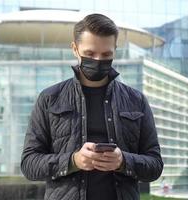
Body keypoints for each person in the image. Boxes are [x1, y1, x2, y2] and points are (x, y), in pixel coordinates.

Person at [21, 13, 163, 200]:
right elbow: (29, 164)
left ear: (115, 50)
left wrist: (123, 161)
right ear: (75, 49)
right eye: (89, 54)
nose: (97, 60)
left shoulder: (136, 100)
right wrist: (73, 161)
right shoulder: (49, 99)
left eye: (106, 55)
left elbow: (155, 165)